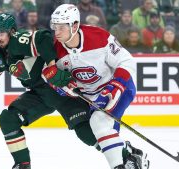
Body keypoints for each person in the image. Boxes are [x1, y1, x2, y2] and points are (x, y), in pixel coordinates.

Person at [0, 12, 100, 169]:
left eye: (1, 34)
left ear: (12, 31)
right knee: (8, 119)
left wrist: (51, 65)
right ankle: (22, 165)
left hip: (58, 89)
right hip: (39, 94)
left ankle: (124, 154)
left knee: (85, 133)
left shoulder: (20, 40)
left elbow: (44, 36)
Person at [44, 4, 150, 169]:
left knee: (99, 123)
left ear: (74, 25)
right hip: (91, 98)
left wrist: (115, 86)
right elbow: (53, 79)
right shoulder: (55, 51)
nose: (56, 32)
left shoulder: (98, 37)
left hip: (119, 89)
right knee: (93, 135)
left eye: (61, 27)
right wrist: (63, 86)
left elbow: (127, 61)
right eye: (54, 27)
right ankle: (131, 157)